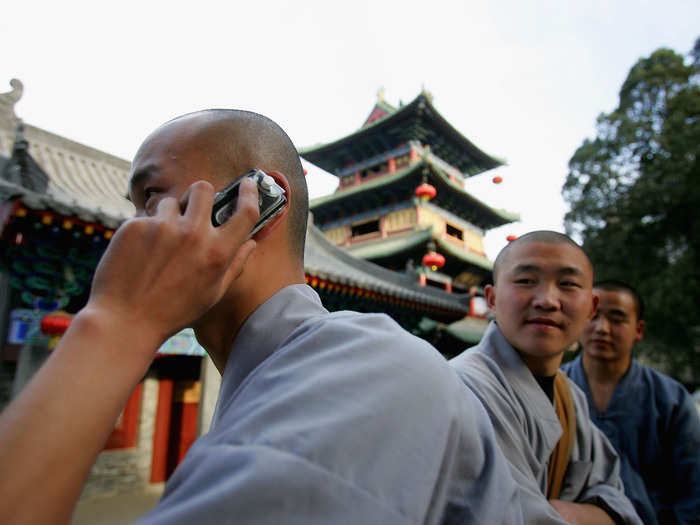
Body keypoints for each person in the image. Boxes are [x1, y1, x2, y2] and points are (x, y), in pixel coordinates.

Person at [0, 109, 522, 525]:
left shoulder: (359, 376)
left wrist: (116, 321)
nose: (132, 231)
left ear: (258, 201)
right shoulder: (280, 377)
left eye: (151, 196)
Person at [450, 231, 641, 525]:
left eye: (567, 284)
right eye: (526, 281)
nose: (548, 301)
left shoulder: (570, 396)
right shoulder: (465, 387)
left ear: (591, 308)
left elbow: (614, 492)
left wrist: (573, 514)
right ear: (492, 298)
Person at [562, 280, 700, 524]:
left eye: (617, 319)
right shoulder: (553, 390)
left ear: (639, 329)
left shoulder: (670, 399)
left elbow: (692, 489)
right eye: (592, 316)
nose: (602, 328)